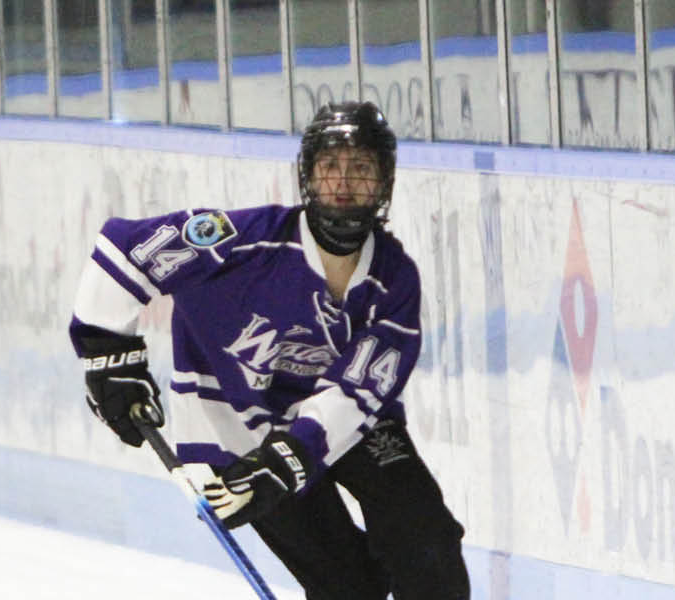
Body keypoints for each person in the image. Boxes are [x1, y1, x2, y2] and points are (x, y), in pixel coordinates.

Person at [67, 100, 469, 599]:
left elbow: (358, 394)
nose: (343, 182)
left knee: (427, 544)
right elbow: (124, 252)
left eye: (361, 168)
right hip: (241, 432)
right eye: (329, 168)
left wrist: (289, 459)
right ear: (306, 176)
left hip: (347, 427)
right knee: (348, 588)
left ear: (385, 182)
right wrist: (107, 355)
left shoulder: (394, 280)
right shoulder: (238, 245)